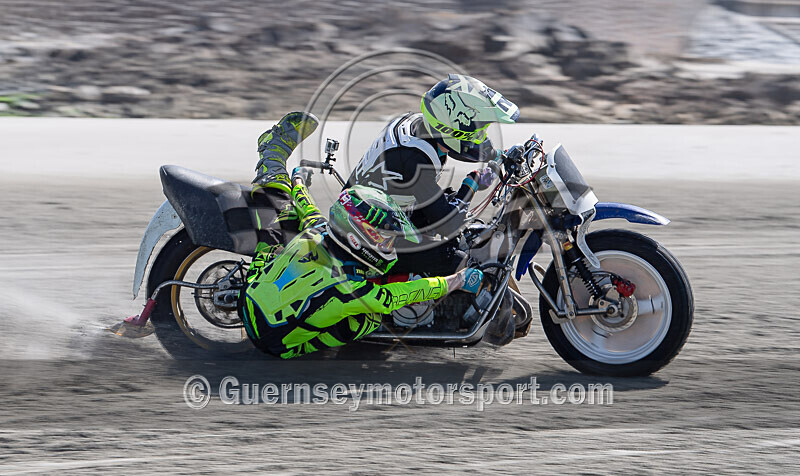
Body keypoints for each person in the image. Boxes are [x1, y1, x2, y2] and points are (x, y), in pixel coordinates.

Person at [239, 166, 484, 359]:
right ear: (357, 240)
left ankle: (271, 176)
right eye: (385, 240)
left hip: (247, 296)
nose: (389, 246)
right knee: (370, 320)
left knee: (289, 217)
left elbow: (307, 206)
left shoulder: (318, 232)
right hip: (274, 344)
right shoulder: (348, 288)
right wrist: (456, 281)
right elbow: (400, 295)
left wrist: (299, 180)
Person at [345, 74, 520, 275]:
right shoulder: (414, 159)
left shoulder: (420, 126)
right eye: (478, 129)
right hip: (365, 238)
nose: (480, 136)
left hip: (386, 214)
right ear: (454, 122)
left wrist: (501, 155)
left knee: (470, 234)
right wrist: (472, 182)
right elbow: (449, 224)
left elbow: (473, 148)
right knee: (458, 259)